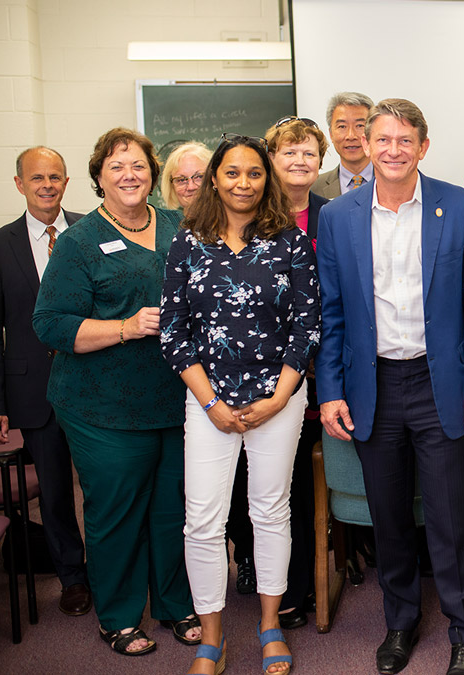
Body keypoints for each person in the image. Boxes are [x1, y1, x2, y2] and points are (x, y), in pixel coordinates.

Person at [316, 98, 464, 675]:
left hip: (440, 382)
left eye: (405, 140)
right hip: (372, 384)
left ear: (423, 146)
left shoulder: (462, 207)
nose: (393, 151)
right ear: (366, 146)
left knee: (449, 519)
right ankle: (400, 623)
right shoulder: (338, 216)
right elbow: (331, 312)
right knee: (389, 518)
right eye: (382, 140)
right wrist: (330, 390)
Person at [32, 127, 197, 657]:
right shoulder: (79, 242)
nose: (130, 175)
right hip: (101, 405)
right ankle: (120, 616)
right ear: (99, 177)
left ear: (154, 174)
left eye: (140, 166)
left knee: (174, 509)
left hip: (175, 398)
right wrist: (125, 327)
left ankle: (174, 604)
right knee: (118, 510)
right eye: (117, 167)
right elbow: (50, 325)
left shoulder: (178, 224)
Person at [161, 132, 319, 675]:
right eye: (232, 173)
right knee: (201, 520)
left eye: (254, 173)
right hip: (209, 402)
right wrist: (210, 404)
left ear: (266, 179)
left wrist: (279, 397)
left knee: (270, 512)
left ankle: (271, 625)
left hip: (279, 398)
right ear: (214, 179)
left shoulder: (290, 242)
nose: (244, 183)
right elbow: (175, 332)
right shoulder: (186, 242)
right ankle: (212, 636)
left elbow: (307, 326)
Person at [0, 146, 90, 617]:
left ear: (66, 182)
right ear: (19, 184)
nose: (48, 185)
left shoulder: (92, 230)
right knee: (56, 492)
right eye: (37, 178)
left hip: (93, 383)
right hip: (34, 392)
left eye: (56, 177)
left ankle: (110, 572)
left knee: (104, 487)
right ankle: (73, 578)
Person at [261, 115, 332, 629]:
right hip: (266, 369)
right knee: (269, 484)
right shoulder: (252, 215)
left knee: (308, 483)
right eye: (289, 153)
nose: (299, 162)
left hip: (322, 365)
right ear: (271, 158)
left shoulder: (336, 214)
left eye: (309, 152)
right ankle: (271, 578)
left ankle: (304, 584)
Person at [312, 91, 374, 198]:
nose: (351, 136)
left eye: (360, 125)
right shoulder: (313, 188)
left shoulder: (393, 182)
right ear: (331, 134)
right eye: (342, 126)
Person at [159, 141, 212, 210]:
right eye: (181, 180)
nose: (191, 187)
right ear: (171, 187)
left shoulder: (228, 220)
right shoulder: (169, 220)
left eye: (199, 177)